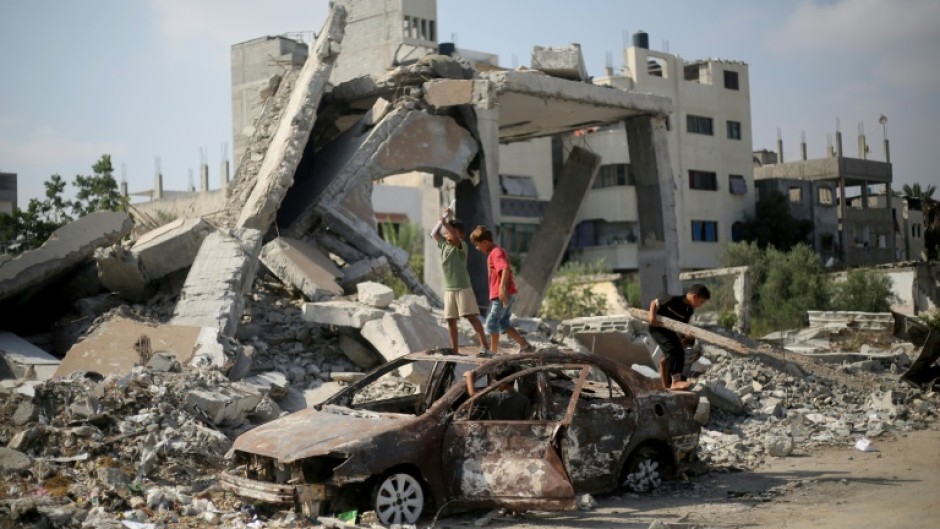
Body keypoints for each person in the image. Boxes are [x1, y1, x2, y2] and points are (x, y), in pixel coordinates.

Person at [430, 207, 490, 356]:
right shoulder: (444, 244)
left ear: (461, 235)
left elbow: (455, 238)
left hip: (463, 288)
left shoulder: (461, 246)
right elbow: (434, 233)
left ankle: (484, 346)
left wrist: (445, 222)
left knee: (471, 316)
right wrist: (444, 217)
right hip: (449, 289)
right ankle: (455, 349)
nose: (447, 234)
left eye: (451, 232)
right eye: (446, 233)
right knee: (451, 320)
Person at [468, 225, 534, 354]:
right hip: (506, 293)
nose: (477, 248)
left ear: (485, 242)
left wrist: (502, 288)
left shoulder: (495, 253)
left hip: (502, 295)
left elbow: (504, 268)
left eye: (478, 245)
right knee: (503, 323)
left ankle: (492, 353)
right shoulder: (497, 252)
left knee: (491, 323)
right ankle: (524, 345)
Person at [648, 283, 710, 389]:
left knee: (679, 352)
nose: (700, 305)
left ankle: (673, 383)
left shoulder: (689, 310)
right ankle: (675, 382)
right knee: (672, 350)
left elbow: (681, 327)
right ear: (694, 297)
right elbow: (654, 303)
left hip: (669, 331)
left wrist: (686, 336)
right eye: (701, 302)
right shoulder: (673, 299)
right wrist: (652, 317)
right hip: (657, 329)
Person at [462, 368, 531, 420]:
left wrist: (469, 377)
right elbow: (526, 421)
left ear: (503, 383)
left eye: (496, 382)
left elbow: (473, 395)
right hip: (516, 435)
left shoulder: (493, 397)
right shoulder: (525, 400)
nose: (494, 385)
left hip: (494, 433)